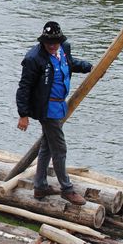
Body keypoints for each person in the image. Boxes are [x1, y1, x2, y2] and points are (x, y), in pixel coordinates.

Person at [16, 21, 93, 206]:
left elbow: (69, 64)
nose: (52, 46)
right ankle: (67, 189)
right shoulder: (34, 58)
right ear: (43, 42)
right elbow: (24, 87)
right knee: (59, 148)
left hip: (59, 107)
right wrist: (23, 114)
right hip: (46, 109)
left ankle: (40, 185)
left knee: (47, 147)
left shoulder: (64, 49)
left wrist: (88, 67)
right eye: (48, 43)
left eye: (55, 42)